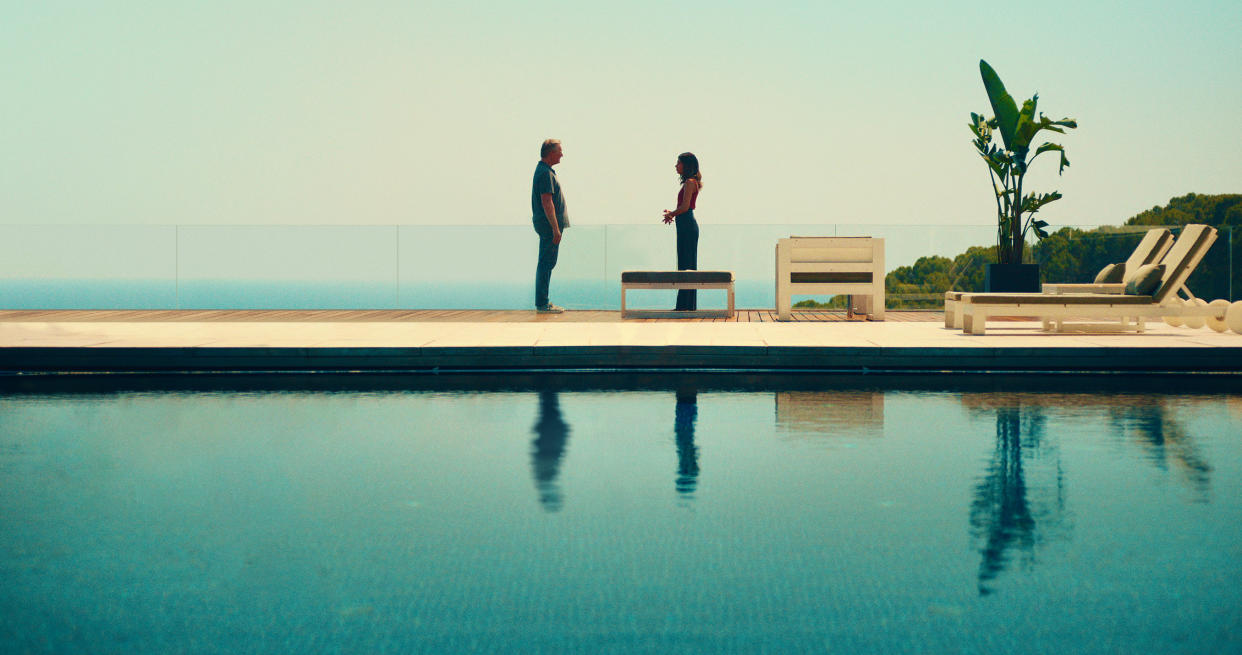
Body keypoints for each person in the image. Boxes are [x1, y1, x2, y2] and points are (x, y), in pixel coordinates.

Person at [531, 139, 568, 313]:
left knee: (546, 263)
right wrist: (555, 228)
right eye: (559, 151)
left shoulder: (545, 171)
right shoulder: (545, 173)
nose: (562, 154)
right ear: (550, 152)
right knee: (546, 263)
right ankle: (543, 304)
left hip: (546, 225)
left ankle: (543, 302)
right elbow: (547, 202)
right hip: (548, 226)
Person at [662, 152, 701, 311]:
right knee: (685, 264)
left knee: (687, 265)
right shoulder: (689, 183)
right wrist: (673, 212)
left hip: (687, 224)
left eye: (678, 163)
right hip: (684, 223)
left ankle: (686, 306)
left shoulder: (690, 183)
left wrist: (671, 213)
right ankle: (685, 305)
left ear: (686, 165)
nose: (676, 166)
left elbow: (685, 207)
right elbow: (684, 207)